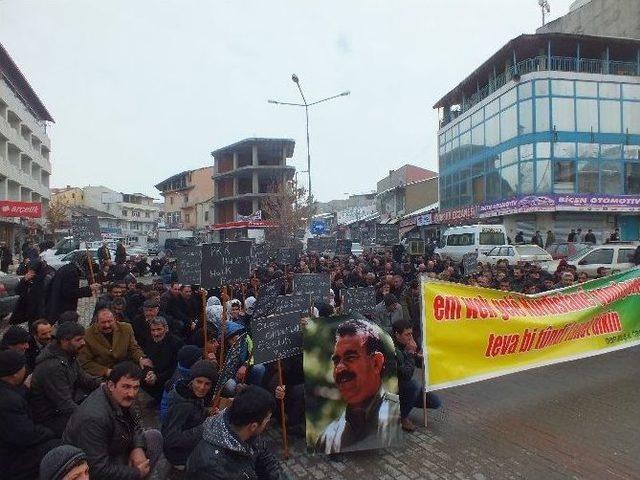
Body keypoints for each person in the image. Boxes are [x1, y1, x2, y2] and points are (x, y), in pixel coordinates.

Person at [63, 361, 163, 480]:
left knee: (154, 437)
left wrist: (138, 447)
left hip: (114, 446)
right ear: (111, 385)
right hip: (91, 468)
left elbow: (136, 422)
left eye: (136, 387)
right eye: (126, 386)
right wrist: (136, 473)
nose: (131, 393)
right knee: (140, 468)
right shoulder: (93, 419)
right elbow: (97, 469)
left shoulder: (122, 397)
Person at [315, 318, 401, 454]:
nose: (339, 369)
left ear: (376, 363)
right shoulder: (328, 436)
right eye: (336, 361)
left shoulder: (394, 415)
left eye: (350, 358)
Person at [186, 385, 287, 480]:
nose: (267, 423)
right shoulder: (211, 468)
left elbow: (265, 458)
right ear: (253, 426)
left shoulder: (248, 432)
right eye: (267, 420)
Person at [30, 322, 101, 437]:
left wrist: (105, 386)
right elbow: (64, 405)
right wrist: (91, 418)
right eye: (78, 340)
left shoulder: (69, 355)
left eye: (83, 339)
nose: (83, 343)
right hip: (51, 418)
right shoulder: (53, 367)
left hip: (64, 408)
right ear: (64, 341)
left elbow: (83, 379)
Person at [0, 349, 61, 480]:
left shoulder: (9, 392)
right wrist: (49, 432)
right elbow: (26, 435)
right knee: (59, 447)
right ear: (15, 374)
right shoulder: (9, 401)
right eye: (23, 367)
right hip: (10, 461)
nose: (26, 370)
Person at [162, 360, 218, 469]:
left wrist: (207, 413)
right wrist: (204, 427)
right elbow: (171, 439)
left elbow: (193, 414)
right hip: (179, 456)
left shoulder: (191, 393)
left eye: (207, 384)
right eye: (199, 382)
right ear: (192, 381)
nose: (202, 387)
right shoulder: (183, 404)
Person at [392, 319, 440, 432]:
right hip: (393, 387)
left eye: (411, 334)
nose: (410, 337)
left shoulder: (408, 344)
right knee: (413, 385)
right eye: (407, 334)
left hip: (403, 387)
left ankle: (405, 404)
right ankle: (401, 416)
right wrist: (410, 354)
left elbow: (416, 363)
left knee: (435, 402)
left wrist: (422, 357)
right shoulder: (391, 349)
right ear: (397, 335)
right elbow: (406, 374)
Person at [79, 308, 151, 378]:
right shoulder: (87, 335)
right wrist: (107, 371)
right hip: (101, 375)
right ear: (96, 322)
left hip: (125, 369)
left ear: (115, 320)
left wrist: (141, 358)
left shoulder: (126, 328)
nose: (107, 325)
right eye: (103, 322)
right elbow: (85, 362)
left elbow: (134, 348)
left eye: (109, 321)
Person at [141, 317, 184, 404]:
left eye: (159, 329)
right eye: (153, 330)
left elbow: (175, 368)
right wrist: (150, 372)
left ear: (166, 328)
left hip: (169, 376)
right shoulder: (150, 340)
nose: (156, 333)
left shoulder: (176, 343)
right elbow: (148, 359)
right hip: (154, 372)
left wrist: (157, 377)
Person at [46, 258, 100, 324]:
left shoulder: (69, 268)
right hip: (63, 308)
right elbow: (70, 293)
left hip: (57, 304)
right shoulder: (71, 273)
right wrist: (89, 288)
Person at [160, 344, 203, 421]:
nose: (202, 361)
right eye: (199, 359)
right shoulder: (181, 383)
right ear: (191, 363)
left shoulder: (181, 369)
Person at [11, 258, 53, 325]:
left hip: (42, 313)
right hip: (31, 313)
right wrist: (24, 280)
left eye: (32, 270)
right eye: (29, 270)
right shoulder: (28, 279)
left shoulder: (46, 279)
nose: (30, 272)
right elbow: (17, 291)